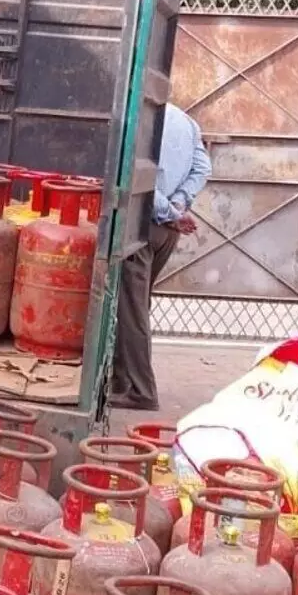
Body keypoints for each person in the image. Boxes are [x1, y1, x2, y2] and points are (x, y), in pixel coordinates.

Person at [110, 103, 210, 411]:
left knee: (131, 310)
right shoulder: (186, 122)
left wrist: (169, 210)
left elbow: (136, 177)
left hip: (142, 226)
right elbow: (202, 169)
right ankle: (120, 380)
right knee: (135, 307)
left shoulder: (135, 116)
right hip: (167, 231)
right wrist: (178, 204)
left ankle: (140, 391)